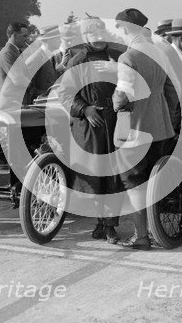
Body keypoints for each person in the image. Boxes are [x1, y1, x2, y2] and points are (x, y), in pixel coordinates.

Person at [112, 8, 178, 251]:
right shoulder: (159, 53)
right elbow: (171, 91)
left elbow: (123, 96)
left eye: (119, 27)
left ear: (127, 28)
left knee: (134, 182)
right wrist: (166, 116)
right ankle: (155, 230)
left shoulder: (128, 58)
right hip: (161, 128)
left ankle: (141, 236)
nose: (117, 32)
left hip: (136, 129)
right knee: (154, 180)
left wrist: (114, 100)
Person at [58, 17, 124, 244]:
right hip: (89, 128)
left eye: (101, 33)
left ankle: (109, 226)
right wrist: (84, 109)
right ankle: (101, 223)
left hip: (115, 124)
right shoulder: (77, 61)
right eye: (93, 34)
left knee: (114, 177)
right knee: (95, 177)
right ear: (86, 37)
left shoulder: (116, 57)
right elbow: (64, 94)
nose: (98, 38)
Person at [0, 22, 31, 104]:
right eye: (24, 36)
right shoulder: (8, 53)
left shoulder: (15, 52)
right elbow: (19, 80)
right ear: (14, 35)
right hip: (9, 106)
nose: (27, 39)